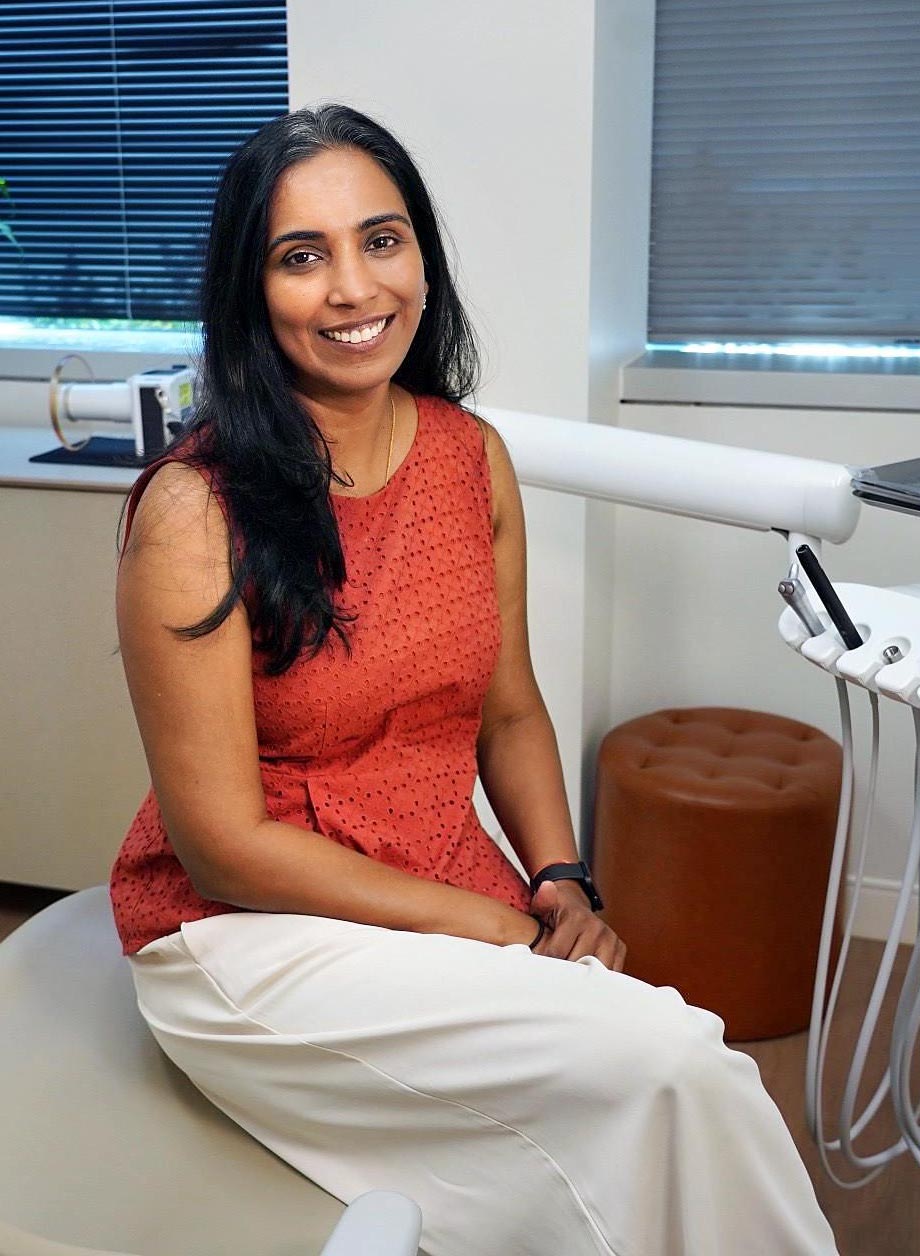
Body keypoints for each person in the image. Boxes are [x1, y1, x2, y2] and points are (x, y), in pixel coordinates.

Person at [110, 104, 837, 1255]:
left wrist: (560, 879)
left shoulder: (467, 455)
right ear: (249, 293)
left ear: (422, 259)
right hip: (244, 931)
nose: (353, 288)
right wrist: (484, 925)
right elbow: (221, 844)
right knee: (666, 1058)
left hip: (437, 884)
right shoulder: (196, 509)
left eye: (380, 240)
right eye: (302, 257)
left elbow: (508, 709)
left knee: (661, 1076)